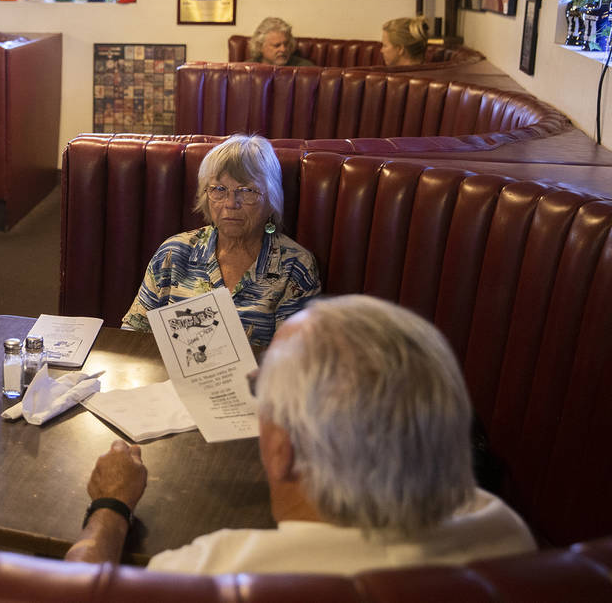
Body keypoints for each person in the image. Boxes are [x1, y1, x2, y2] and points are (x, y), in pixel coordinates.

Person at [67, 295, 536, 574]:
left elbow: (75, 593)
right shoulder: (501, 530)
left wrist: (110, 509)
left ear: (283, 448)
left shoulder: (219, 571)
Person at [121, 134, 320, 352]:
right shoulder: (174, 252)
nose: (231, 203)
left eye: (247, 191)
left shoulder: (295, 265)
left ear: (271, 199)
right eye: (219, 189)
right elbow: (133, 334)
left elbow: (293, 360)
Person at [247, 17, 314, 67]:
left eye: (286, 44)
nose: (283, 49)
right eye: (277, 45)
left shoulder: (305, 68)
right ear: (260, 46)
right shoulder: (247, 69)